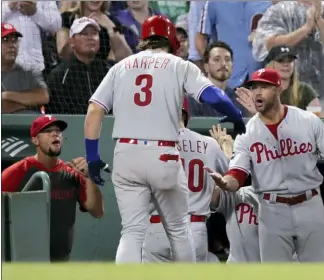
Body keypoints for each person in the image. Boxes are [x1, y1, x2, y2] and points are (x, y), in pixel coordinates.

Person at [83, 15, 244, 263]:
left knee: (132, 233)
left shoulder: (121, 66)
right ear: (171, 41)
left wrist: (92, 157)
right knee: (179, 230)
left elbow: (94, 110)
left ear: (143, 39)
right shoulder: (179, 65)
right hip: (163, 152)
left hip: (126, 153)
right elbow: (214, 96)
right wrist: (236, 116)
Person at [205, 68, 324, 262]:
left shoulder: (307, 121)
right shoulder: (247, 133)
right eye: (254, 87)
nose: (257, 92)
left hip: (310, 203)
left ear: (278, 88)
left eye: (264, 87)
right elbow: (238, 173)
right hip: (271, 208)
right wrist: (225, 182)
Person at [209, 125, 324, 264]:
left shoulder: (293, 200)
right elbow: (212, 196)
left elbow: (305, 242)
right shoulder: (238, 195)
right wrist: (224, 159)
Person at [1, 115, 103, 262]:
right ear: (35, 140)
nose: (55, 134)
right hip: (26, 260)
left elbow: (97, 211)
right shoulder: (19, 171)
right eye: (48, 131)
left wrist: (89, 177)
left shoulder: (72, 173)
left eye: (58, 131)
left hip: (61, 260)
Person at [142, 98, 229, 262]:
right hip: (194, 229)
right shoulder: (209, 144)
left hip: (158, 226)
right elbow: (229, 180)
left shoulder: (148, 144)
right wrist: (224, 151)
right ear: (185, 114)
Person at [252, 0, 324, 118]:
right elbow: (270, 46)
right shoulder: (278, 11)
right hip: (290, 93)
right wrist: (306, 28)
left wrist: (319, 20)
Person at [46, 17, 110, 115]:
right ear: (71, 42)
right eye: (84, 34)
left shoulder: (109, 71)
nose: (90, 37)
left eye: (94, 33)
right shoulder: (59, 75)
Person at [236, 45, 321, 115]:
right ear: (271, 64)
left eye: (290, 61)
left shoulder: (306, 91)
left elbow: (318, 121)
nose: (286, 65)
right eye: (281, 61)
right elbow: (252, 126)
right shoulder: (259, 92)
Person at [56, 1, 131, 63]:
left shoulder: (113, 22)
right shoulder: (67, 18)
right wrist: (78, 29)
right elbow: (63, 56)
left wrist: (111, 28)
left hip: (102, 76)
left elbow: (126, 60)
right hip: (72, 75)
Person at [1, 22, 49, 114]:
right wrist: (26, 103)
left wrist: (7, 95)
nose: (12, 45)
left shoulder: (30, 71)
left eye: (14, 40)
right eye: (5, 40)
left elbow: (44, 97)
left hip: (30, 125)